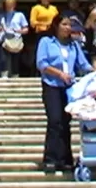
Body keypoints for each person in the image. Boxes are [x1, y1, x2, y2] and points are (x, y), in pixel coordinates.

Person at [35, 14, 85, 174]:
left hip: (68, 88)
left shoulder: (74, 46)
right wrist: (59, 74)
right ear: (56, 26)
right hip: (52, 85)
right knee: (55, 121)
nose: (68, 28)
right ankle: (50, 159)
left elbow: (83, 64)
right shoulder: (46, 42)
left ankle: (65, 159)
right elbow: (42, 63)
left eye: (70, 25)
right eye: (64, 24)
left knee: (65, 122)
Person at [0, 0, 28, 79]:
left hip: (15, 39)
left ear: (14, 4)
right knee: (3, 59)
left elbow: (26, 29)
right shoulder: (1, 16)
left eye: (11, 4)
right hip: (3, 39)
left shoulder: (19, 15)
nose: (9, 6)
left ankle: (15, 75)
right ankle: (4, 74)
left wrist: (18, 31)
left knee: (15, 60)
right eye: (7, 4)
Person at [26, 0, 60, 75]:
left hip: (52, 34)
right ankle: (36, 73)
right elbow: (32, 23)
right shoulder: (36, 8)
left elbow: (58, 20)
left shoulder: (53, 8)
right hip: (41, 33)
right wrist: (45, 24)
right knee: (40, 53)